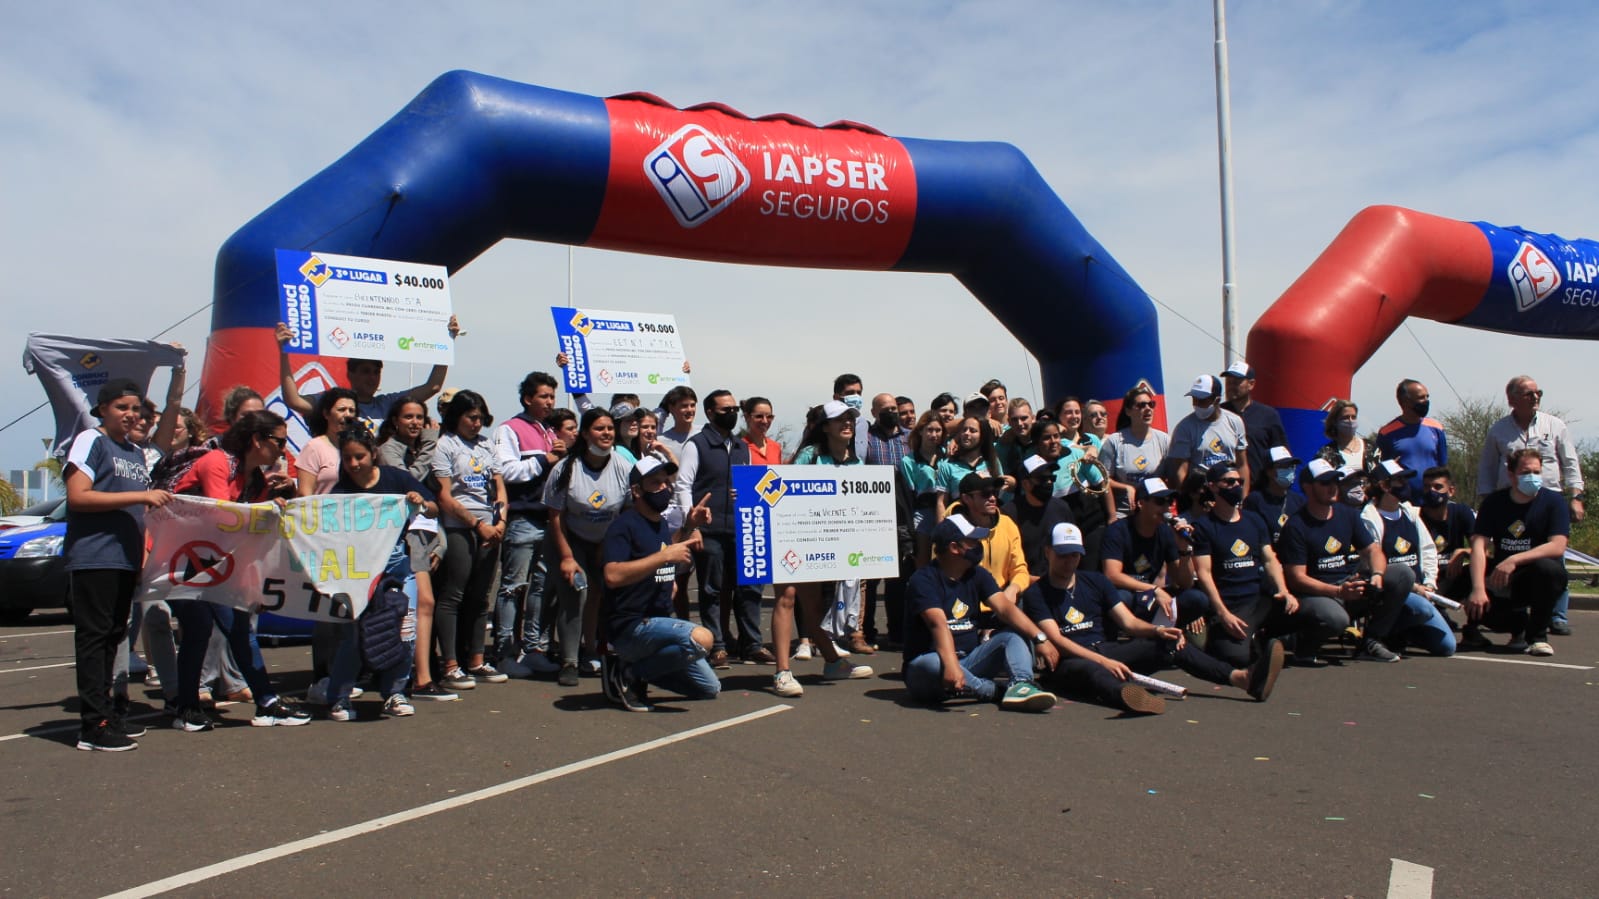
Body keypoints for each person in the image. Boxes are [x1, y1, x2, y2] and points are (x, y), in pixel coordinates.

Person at [1025, 523, 1282, 715]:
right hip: (1069, 662)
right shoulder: (1038, 592)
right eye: (1062, 554)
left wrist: (1158, 631)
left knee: (1171, 644)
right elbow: (1057, 640)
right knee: (1095, 672)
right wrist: (1105, 661)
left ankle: (1241, 678)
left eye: (1074, 554)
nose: (1069, 561)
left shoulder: (1094, 581)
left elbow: (1128, 623)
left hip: (1104, 649)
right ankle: (1131, 698)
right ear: (1048, 552)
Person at [170, 410, 311, 730]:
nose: (283, 449)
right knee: (198, 628)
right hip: (183, 558)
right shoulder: (216, 463)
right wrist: (264, 509)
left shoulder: (256, 480)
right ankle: (186, 707)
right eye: (279, 441)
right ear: (257, 440)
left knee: (238, 627)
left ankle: (266, 702)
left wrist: (279, 500)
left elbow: (249, 532)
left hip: (218, 561)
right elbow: (225, 515)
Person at [64, 379, 173, 751]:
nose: (130, 415)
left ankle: (108, 715)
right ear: (103, 409)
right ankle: (91, 727)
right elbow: (78, 496)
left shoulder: (134, 451)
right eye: (121, 407)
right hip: (96, 555)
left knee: (114, 639)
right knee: (94, 640)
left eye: (135, 409)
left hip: (125, 559)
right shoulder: (91, 441)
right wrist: (143, 494)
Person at [325, 428, 438, 719]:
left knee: (404, 631)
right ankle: (339, 696)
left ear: (373, 453)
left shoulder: (396, 479)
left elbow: (434, 507)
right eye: (347, 458)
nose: (353, 464)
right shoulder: (340, 492)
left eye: (359, 456)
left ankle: (396, 692)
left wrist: (420, 502)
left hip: (397, 568)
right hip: (358, 572)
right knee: (354, 635)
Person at [900, 514, 1058, 711]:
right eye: (972, 541)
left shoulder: (977, 574)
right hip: (931, 669)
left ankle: (1021, 686)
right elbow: (937, 624)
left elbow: (1005, 608)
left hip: (969, 661)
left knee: (1011, 637)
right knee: (929, 663)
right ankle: (991, 690)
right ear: (954, 547)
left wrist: (1040, 638)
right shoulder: (923, 580)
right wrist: (951, 665)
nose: (978, 545)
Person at [769, 401, 875, 697]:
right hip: (793, 537)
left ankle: (832, 662)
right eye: (839, 420)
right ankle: (782, 672)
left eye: (850, 419)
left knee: (812, 606)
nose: (847, 424)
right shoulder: (809, 456)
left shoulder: (857, 464)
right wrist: (751, 494)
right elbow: (780, 488)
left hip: (824, 544)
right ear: (825, 426)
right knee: (787, 597)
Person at [601, 457, 718, 711]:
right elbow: (612, 575)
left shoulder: (660, 524)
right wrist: (663, 557)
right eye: (655, 483)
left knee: (709, 688)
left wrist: (689, 526)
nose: (664, 488)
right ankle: (629, 673)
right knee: (701, 639)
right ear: (637, 491)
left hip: (658, 622)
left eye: (666, 482)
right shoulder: (623, 526)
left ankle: (641, 671)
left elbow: (668, 547)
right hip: (631, 626)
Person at [1278, 458, 1415, 664]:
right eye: (1325, 483)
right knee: (1336, 619)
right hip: (1315, 594)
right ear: (1307, 487)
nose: (1333, 487)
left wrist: (1377, 575)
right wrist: (1339, 592)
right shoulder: (1297, 525)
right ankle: (1301, 644)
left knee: (1403, 574)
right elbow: (1296, 578)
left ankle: (1372, 641)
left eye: (1335, 481)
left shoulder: (1347, 514)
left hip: (1348, 585)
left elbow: (1373, 550)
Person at [1477, 374, 1584, 636]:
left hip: (1549, 501)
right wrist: (1486, 503)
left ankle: (1555, 615)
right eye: (1528, 393)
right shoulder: (1499, 430)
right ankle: (1517, 612)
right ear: (1512, 399)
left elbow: (1569, 462)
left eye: (1538, 393)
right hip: (1509, 503)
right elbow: (1487, 468)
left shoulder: (1554, 425)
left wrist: (1576, 496)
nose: (1535, 397)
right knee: (1512, 555)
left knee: (1552, 559)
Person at [675, 389, 771, 666]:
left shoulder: (742, 446)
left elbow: (751, 484)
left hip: (743, 529)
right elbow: (683, 485)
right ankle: (716, 645)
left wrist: (744, 494)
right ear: (710, 412)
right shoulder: (697, 444)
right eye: (725, 409)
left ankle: (752, 644)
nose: (731, 414)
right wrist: (690, 523)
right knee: (711, 589)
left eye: (734, 409)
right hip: (710, 530)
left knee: (750, 587)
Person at [541, 408, 632, 685]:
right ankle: (568, 661)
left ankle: (590, 651)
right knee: (575, 591)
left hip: (606, 538)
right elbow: (556, 517)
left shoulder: (622, 466)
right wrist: (567, 557)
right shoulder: (565, 468)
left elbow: (628, 512)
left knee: (597, 595)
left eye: (609, 428)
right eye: (599, 428)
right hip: (570, 537)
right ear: (584, 433)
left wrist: (612, 547)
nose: (606, 433)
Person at [1186, 463, 1306, 672]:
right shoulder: (1204, 526)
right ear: (1213, 487)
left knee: (1312, 613)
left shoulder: (1254, 520)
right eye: (1229, 482)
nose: (1236, 486)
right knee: (1236, 657)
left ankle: (1264, 637)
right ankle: (1240, 641)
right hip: (1229, 603)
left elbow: (1270, 559)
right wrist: (1223, 614)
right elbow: (1203, 573)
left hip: (1259, 599)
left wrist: (1284, 591)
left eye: (1239, 482)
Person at [431, 390, 509, 691]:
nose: (476, 424)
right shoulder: (446, 446)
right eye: (470, 417)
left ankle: (476, 660)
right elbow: (445, 496)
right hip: (460, 526)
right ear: (457, 417)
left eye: (480, 418)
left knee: (480, 597)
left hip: (491, 527)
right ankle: (450, 663)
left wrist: (500, 521)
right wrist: (476, 524)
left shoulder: (487, 445)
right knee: (453, 595)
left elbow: (500, 488)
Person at [492, 372, 565, 678]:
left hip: (547, 519)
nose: (549, 402)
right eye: (544, 396)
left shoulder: (549, 430)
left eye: (552, 396)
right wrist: (545, 460)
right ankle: (504, 651)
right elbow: (505, 471)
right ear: (527, 399)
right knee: (513, 586)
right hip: (522, 517)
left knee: (540, 588)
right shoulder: (510, 429)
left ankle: (531, 649)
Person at [274, 316, 459, 433]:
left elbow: (433, 386)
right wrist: (284, 352)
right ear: (350, 374)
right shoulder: (335, 402)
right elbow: (293, 400)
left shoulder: (386, 404)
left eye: (376, 372)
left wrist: (446, 342)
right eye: (365, 372)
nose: (372, 377)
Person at [1465, 449, 1569, 656]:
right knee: (1466, 581)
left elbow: (1557, 546)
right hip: (1502, 579)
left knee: (1549, 569)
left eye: (1537, 472)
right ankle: (1496, 627)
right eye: (1525, 472)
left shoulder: (1553, 502)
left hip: (1536, 576)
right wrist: (1478, 588)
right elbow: (1479, 545)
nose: (1532, 477)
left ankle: (1538, 638)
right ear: (1511, 475)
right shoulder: (1494, 503)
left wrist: (1515, 559)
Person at [1359, 459, 1456, 657]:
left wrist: (1429, 582)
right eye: (1399, 480)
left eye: (1405, 479)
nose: (1405, 484)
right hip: (1392, 592)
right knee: (1422, 610)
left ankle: (1401, 632)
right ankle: (1378, 633)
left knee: (1447, 647)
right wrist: (1415, 588)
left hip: (1421, 589)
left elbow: (1428, 549)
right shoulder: (1369, 518)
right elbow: (1371, 564)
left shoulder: (1410, 512)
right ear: (1384, 486)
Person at [1099, 478, 1209, 628]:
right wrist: (1154, 589)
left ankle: (1164, 631)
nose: (1166, 507)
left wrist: (1184, 550)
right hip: (1127, 594)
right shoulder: (1118, 530)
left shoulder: (1166, 532)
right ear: (1141, 503)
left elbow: (1185, 583)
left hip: (1149, 596)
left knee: (1197, 599)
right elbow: (1112, 575)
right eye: (1159, 502)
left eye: (1169, 501)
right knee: (1122, 597)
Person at [944, 473, 1031, 618]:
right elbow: (942, 574)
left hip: (1003, 605)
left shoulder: (1007, 524)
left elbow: (1020, 569)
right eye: (985, 494)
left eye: (995, 492)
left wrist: (1013, 589)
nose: (992, 498)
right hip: (964, 610)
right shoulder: (951, 530)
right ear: (966, 499)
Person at [1000, 455, 1076, 584]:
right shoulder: (1009, 514)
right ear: (1025, 484)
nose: (1048, 483)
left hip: (1060, 582)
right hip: (1023, 584)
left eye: (1051, 478)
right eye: (1042, 479)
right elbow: (1005, 562)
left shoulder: (1061, 508)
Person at [1101, 383, 1170, 520]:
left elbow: (1171, 478)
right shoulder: (1114, 441)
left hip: (1156, 514)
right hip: (1125, 513)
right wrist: (1127, 488)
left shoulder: (1164, 440)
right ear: (1128, 411)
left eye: (1151, 404)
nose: (1147, 409)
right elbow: (1103, 480)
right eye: (1141, 405)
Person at [1169, 374, 1249, 491]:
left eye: (1202, 400)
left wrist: (1242, 498)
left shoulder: (1235, 422)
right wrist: (1191, 498)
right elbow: (1180, 470)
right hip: (1202, 493)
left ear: (1217, 400)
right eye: (1194, 399)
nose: (1196, 404)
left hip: (1230, 490)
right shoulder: (1184, 428)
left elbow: (1242, 464)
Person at [1220, 360, 1287, 491]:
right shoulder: (1219, 414)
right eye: (1229, 381)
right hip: (1226, 489)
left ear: (1251, 384)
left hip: (1261, 490)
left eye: (1237, 382)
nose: (1231, 386)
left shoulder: (1268, 415)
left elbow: (1280, 452)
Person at [1376, 380, 1448, 496]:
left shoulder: (1436, 427)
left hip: (1432, 499)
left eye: (1427, 397)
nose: (1426, 401)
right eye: (1421, 398)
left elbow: (1443, 467)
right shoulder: (1387, 433)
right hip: (1403, 501)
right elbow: (1383, 471)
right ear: (1405, 402)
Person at [1417, 466, 1475, 602]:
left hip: (1454, 575)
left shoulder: (1462, 512)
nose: (1431, 491)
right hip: (1426, 579)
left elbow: (1485, 550)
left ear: (1450, 491)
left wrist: (1464, 552)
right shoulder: (1415, 516)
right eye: (1426, 487)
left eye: (1438, 487)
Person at [900, 411, 949, 567]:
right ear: (920, 431)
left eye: (938, 430)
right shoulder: (909, 461)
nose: (934, 434)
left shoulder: (948, 457)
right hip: (922, 512)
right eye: (929, 430)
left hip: (946, 509)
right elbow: (909, 493)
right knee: (923, 559)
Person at [294, 388, 359, 496]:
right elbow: (304, 494)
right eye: (341, 409)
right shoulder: (314, 447)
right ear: (326, 414)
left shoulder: (359, 448)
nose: (347, 415)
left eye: (351, 410)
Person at [1241, 446, 1306, 545]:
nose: (1289, 470)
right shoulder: (1255, 500)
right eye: (1284, 466)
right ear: (1269, 471)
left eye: (1291, 466)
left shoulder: (1299, 501)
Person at [1317, 399, 1380, 474]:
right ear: (1335, 422)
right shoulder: (1326, 453)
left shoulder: (1371, 447)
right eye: (1345, 418)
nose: (1350, 421)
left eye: (1353, 417)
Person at [655, 385, 698, 458]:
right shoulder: (662, 442)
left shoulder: (705, 433)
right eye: (684, 406)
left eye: (693, 405)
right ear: (671, 408)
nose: (690, 410)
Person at [740, 397, 782, 466]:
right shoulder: (739, 448)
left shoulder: (776, 447)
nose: (765, 421)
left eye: (769, 417)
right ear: (746, 417)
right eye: (759, 416)